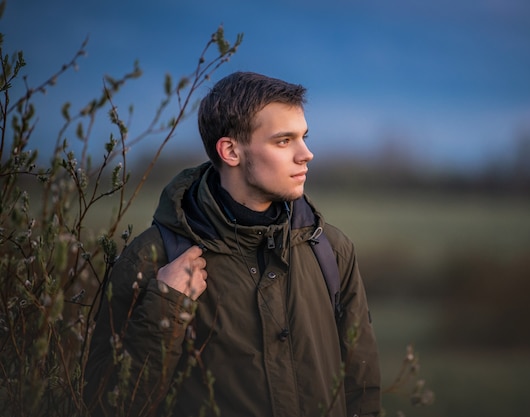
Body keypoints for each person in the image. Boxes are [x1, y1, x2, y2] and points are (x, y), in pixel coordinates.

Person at [84, 71, 381, 417]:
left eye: (304, 137)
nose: (307, 154)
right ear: (230, 151)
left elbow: (362, 389)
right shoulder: (153, 259)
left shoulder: (330, 250)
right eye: (284, 141)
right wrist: (166, 307)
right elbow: (108, 405)